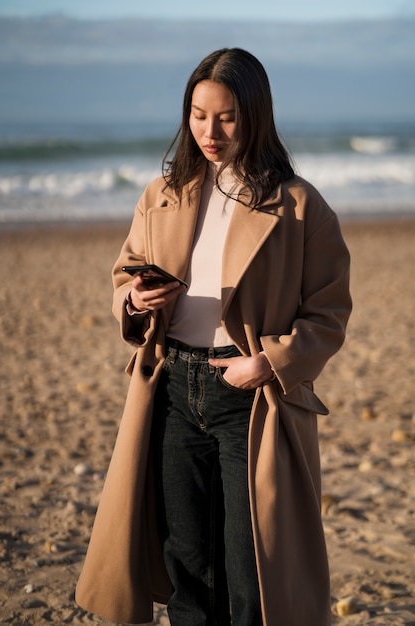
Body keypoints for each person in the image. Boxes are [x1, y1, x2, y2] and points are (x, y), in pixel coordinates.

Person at [76, 48, 352, 626]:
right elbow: (126, 273)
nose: (210, 130)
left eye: (226, 116)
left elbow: (329, 313)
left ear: (255, 115)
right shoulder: (162, 194)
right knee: (187, 564)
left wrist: (270, 363)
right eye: (198, 115)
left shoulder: (298, 205)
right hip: (173, 387)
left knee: (251, 565)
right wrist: (132, 299)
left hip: (249, 397)